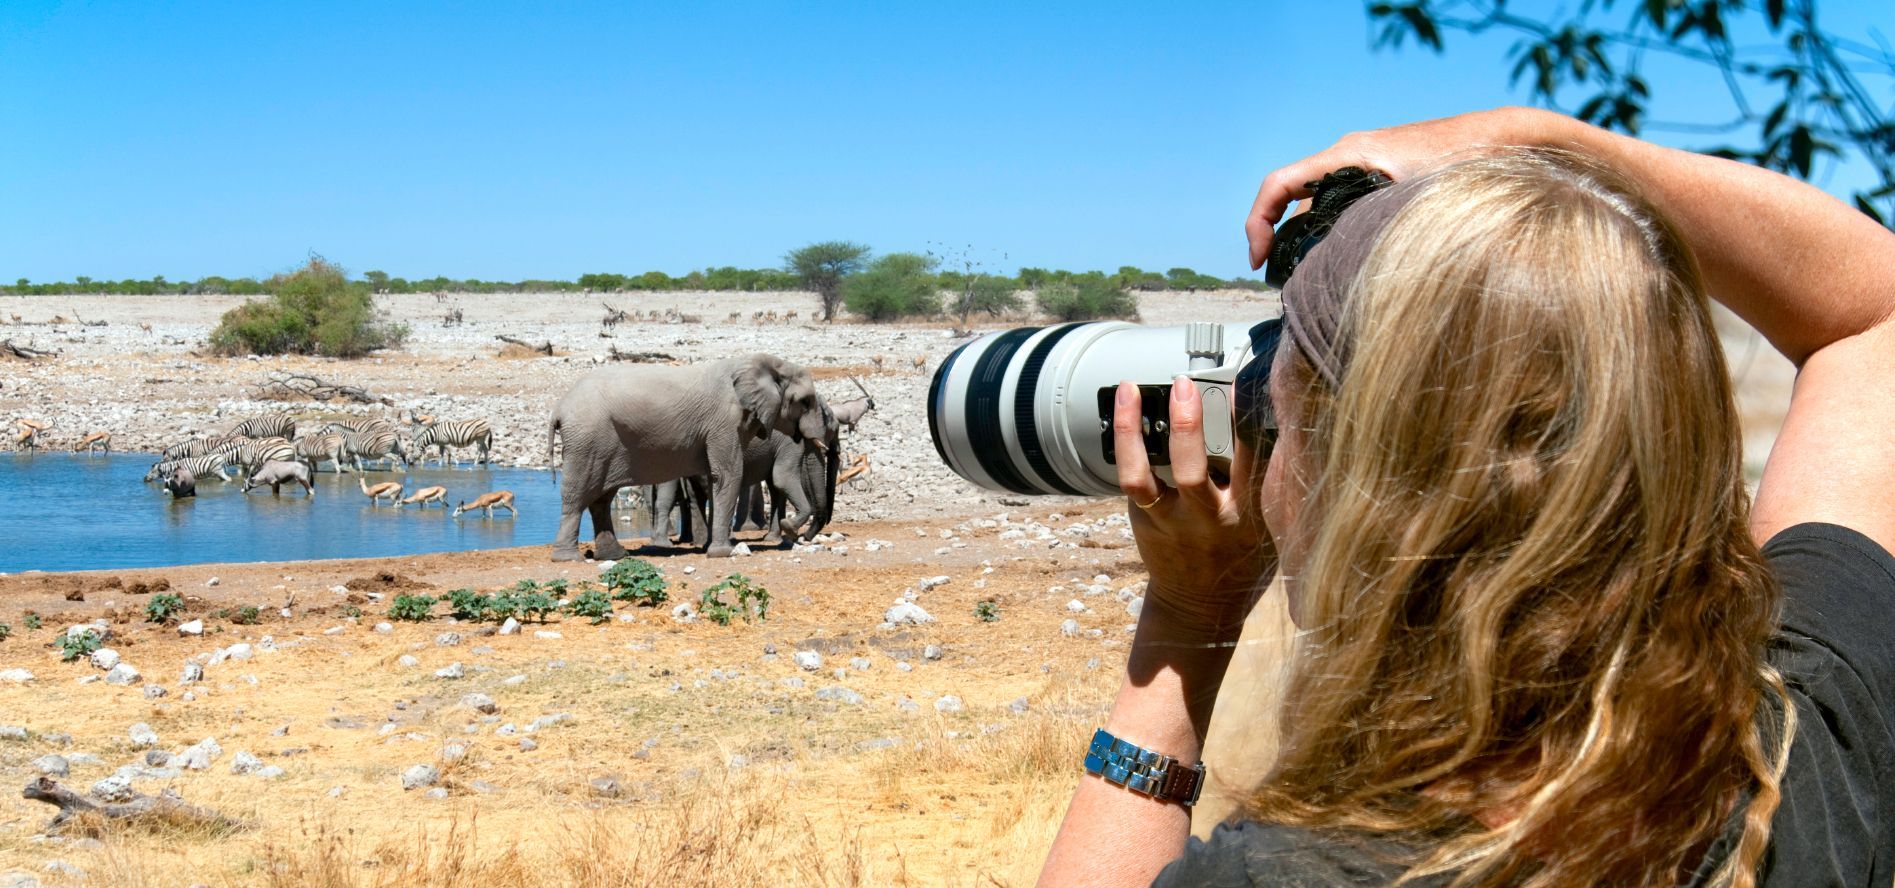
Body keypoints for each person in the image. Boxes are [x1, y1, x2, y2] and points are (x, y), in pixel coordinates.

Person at [1038, 106, 1895, 886]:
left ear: (1354, 481)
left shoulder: (1310, 871)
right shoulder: (1793, 747)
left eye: (1279, 402)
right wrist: (1549, 144)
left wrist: (1186, 622)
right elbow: (1873, 317)